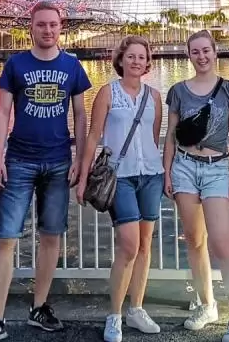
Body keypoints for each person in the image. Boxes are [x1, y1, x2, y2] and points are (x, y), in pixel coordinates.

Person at [0, 2, 92, 342]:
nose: (48, 30)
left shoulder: (72, 66)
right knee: (6, 237)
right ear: (32, 27)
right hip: (20, 160)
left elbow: (81, 116)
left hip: (58, 162)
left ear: (60, 27)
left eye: (53, 24)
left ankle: (39, 307)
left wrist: (81, 159)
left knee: (51, 235)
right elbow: (2, 113)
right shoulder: (16, 64)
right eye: (41, 24)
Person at [163, 30, 229, 342]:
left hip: (217, 170)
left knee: (223, 245)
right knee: (194, 241)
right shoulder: (177, 91)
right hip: (184, 167)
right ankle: (207, 304)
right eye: (195, 52)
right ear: (189, 55)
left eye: (206, 51)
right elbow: (171, 135)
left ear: (215, 53)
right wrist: (167, 171)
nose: (201, 57)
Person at [76, 35, 164, 342]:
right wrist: (84, 176)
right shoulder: (107, 93)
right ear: (121, 60)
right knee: (128, 244)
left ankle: (136, 309)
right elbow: (92, 137)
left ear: (147, 63)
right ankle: (114, 315)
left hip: (151, 175)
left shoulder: (154, 97)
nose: (136, 61)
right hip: (120, 177)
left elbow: (154, 138)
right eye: (131, 56)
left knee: (144, 245)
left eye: (142, 57)